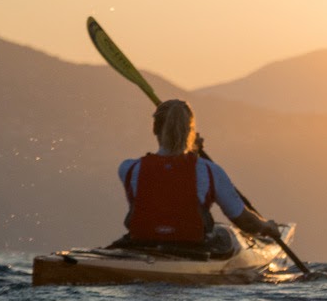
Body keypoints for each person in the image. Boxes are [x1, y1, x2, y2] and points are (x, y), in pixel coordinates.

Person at [115, 99, 282, 255]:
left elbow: (168, 183)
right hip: (192, 249)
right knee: (227, 232)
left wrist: (192, 150)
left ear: (154, 129)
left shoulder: (129, 169)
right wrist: (266, 227)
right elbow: (245, 222)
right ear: (191, 132)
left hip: (141, 245)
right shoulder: (209, 171)